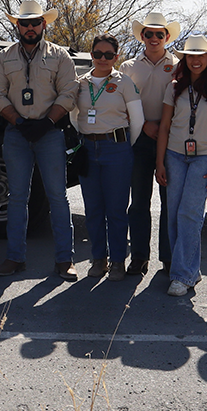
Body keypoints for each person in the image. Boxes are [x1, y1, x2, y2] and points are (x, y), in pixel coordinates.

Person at [0, 0, 79, 279]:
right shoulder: (4, 57)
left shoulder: (60, 56)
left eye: (35, 22)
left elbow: (69, 93)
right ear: (17, 25)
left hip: (49, 133)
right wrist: (17, 121)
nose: (30, 28)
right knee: (17, 198)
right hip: (17, 133)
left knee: (57, 198)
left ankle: (65, 260)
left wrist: (48, 122)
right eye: (24, 23)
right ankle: (15, 258)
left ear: (44, 24)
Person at [155, 36, 207, 296]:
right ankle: (190, 270)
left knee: (190, 213)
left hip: (205, 157)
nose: (195, 60)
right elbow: (164, 126)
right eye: (190, 56)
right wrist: (160, 162)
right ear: (184, 60)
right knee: (174, 212)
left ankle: (181, 275)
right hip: (175, 155)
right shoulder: (174, 87)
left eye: (201, 56)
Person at [72, 33, 144, 279]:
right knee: (93, 209)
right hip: (88, 150)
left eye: (109, 55)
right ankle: (98, 259)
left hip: (117, 150)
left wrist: (122, 144)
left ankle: (117, 261)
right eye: (98, 54)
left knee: (116, 209)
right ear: (91, 54)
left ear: (116, 56)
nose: (103, 59)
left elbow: (138, 120)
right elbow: (74, 116)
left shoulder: (123, 82)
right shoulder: (80, 83)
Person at [120, 11, 182, 278]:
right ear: (142, 36)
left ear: (167, 36)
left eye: (159, 34)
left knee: (171, 201)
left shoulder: (179, 64)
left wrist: (164, 127)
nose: (154, 38)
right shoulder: (128, 67)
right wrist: (145, 124)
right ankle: (139, 257)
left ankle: (168, 258)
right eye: (149, 33)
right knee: (139, 201)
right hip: (139, 137)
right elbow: (120, 102)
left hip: (172, 138)